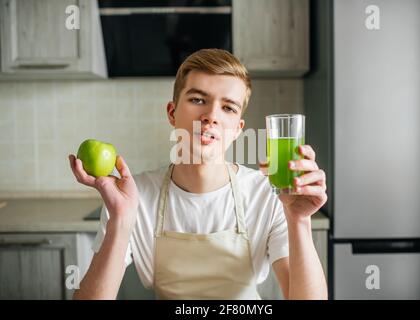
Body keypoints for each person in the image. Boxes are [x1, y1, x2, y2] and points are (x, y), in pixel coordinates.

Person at [68, 48, 328, 300]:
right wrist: (120, 222)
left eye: (228, 107)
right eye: (197, 100)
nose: (211, 116)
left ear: (238, 129)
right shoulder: (134, 197)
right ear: (172, 113)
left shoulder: (269, 194)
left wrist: (298, 220)